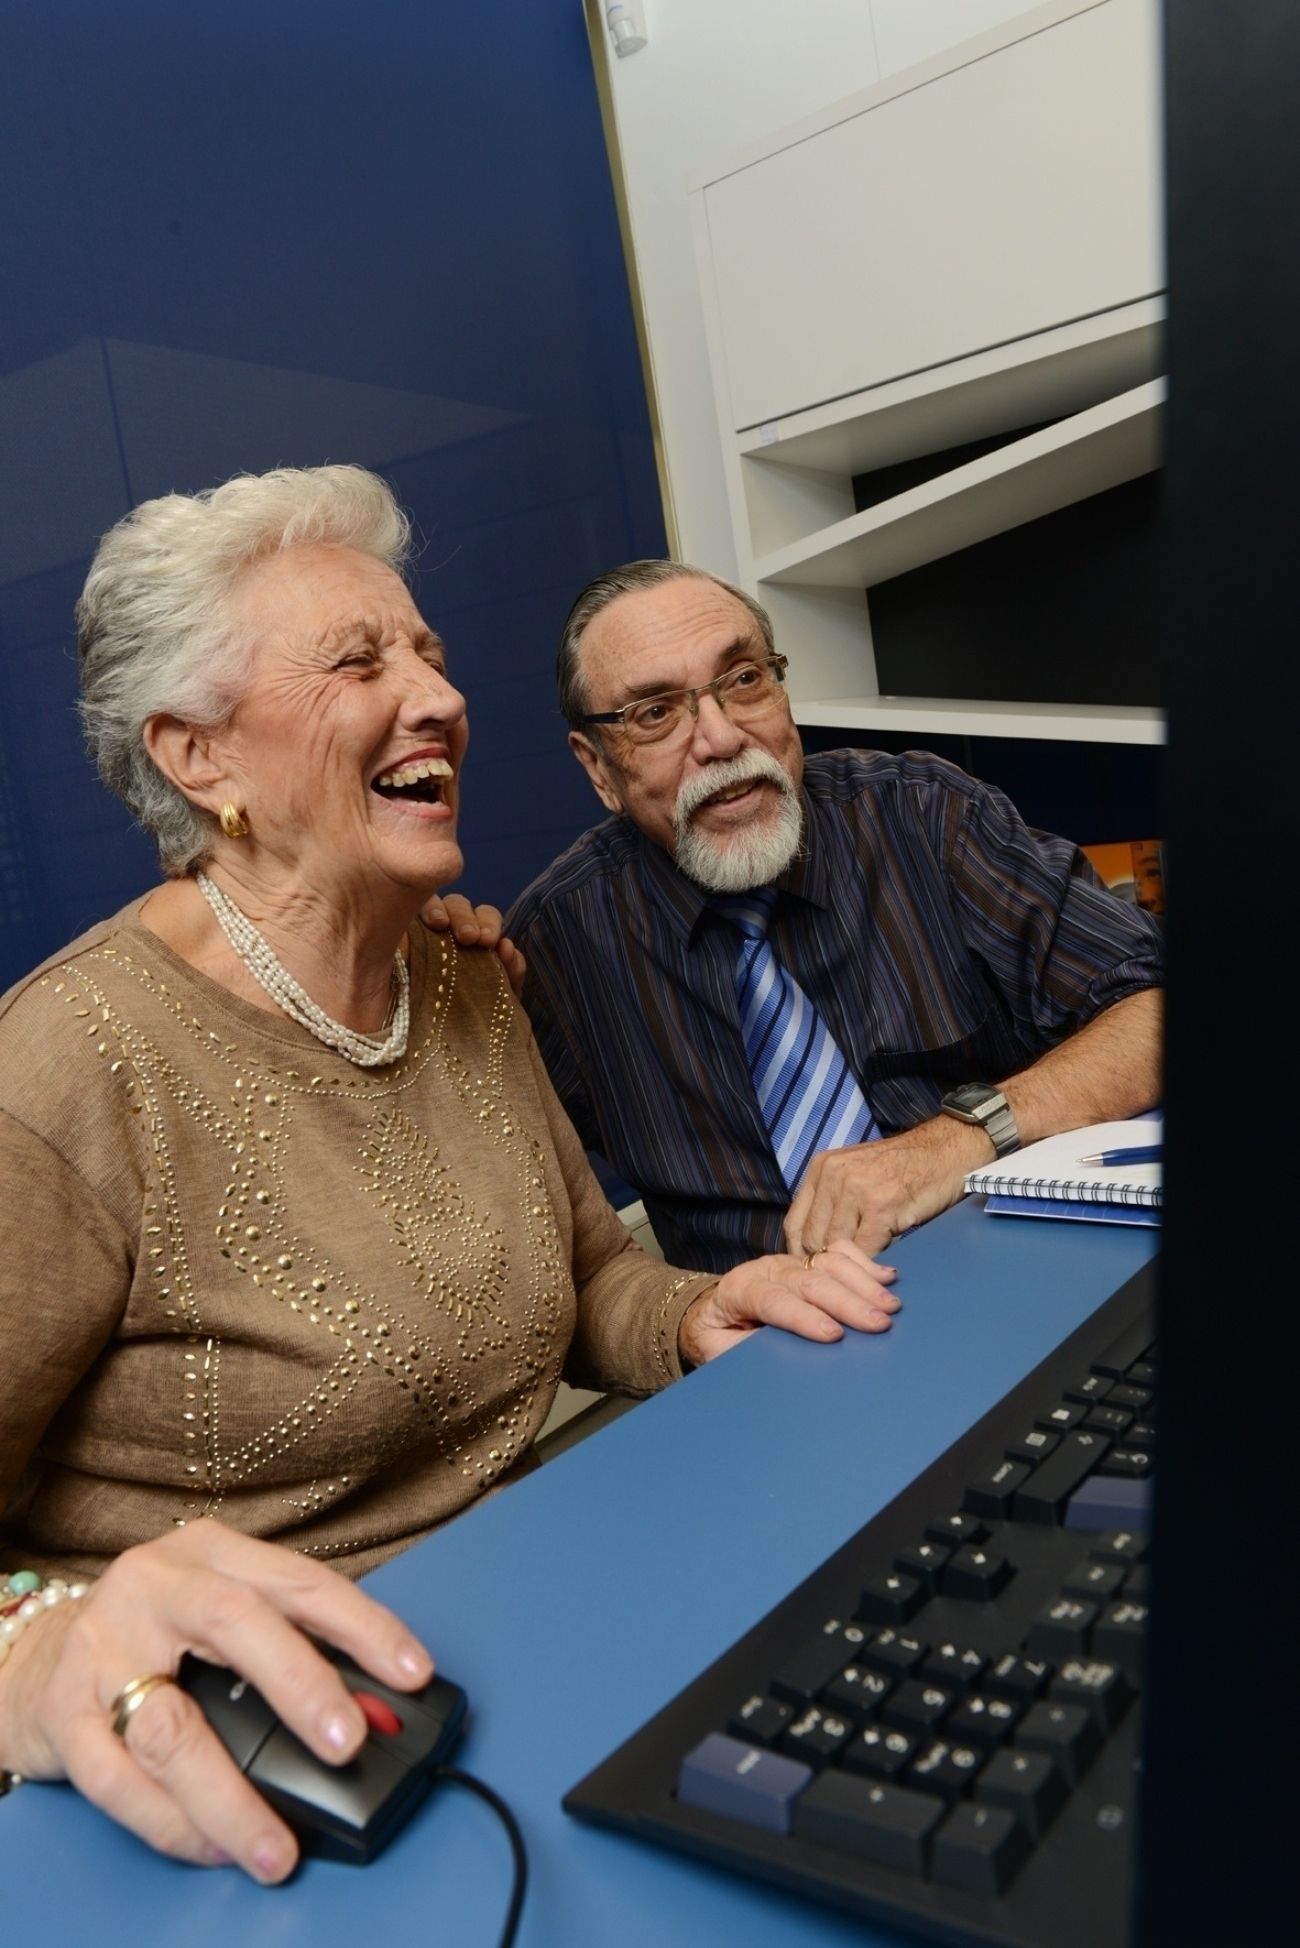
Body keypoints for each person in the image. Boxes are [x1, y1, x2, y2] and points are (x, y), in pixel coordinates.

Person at [0, 473, 901, 1879]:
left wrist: (690, 1314)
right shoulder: (64, 1070)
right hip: (286, 1784)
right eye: (361, 661)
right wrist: (38, 1653)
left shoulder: (460, 976)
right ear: (199, 757)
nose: (436, 697)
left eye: (425, 650)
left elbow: (590, 1266)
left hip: (555, 1649)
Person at [498, 559, 1163, 1275]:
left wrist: (959, 1139)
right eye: (654, 713)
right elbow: (507, 1217)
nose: (721, 738)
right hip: (781, 1357)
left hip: (1031, 1271)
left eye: (744, 679)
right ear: (599, 769)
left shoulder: (924, 816)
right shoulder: (559, 946)